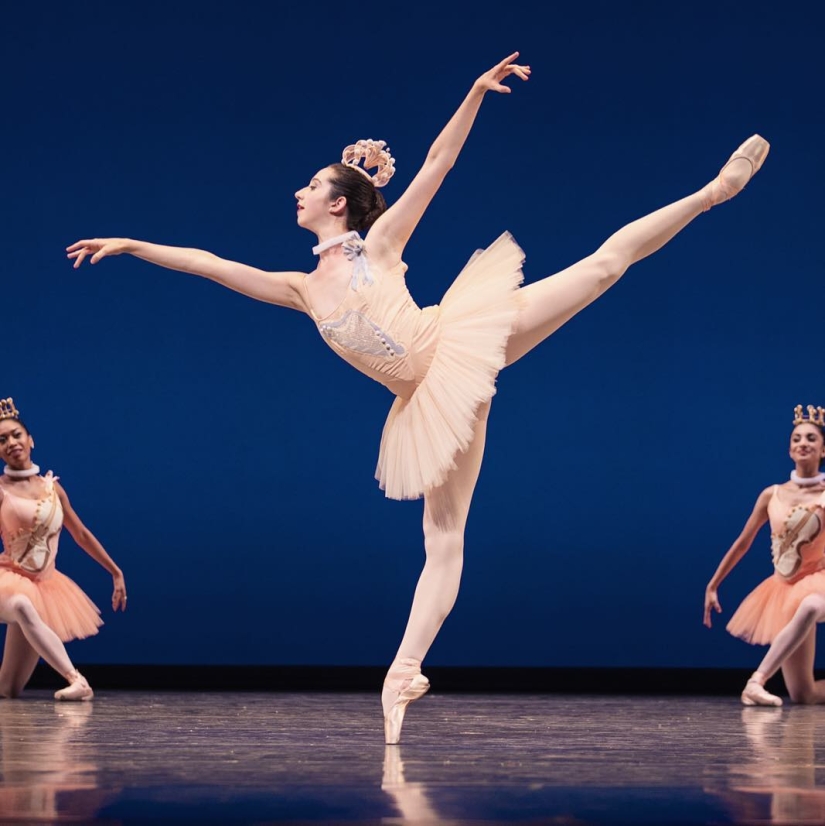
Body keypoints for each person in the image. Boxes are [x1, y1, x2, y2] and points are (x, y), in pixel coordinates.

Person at [67, 53, 769, 741]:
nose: (298, 193)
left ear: (336, 204)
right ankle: (403, 670)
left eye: (310, 186)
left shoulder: (378, 247)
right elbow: (213, 266)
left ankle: (712, 192)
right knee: (443, 539)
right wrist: (133, 244)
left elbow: (437, 165)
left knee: (601, 266)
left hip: (455, 339)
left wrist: (471, 92)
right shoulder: (300, 289)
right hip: (428, 400)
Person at [0, 397, 127, 700]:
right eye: (2, 440)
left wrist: (115, 571)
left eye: (16, 435)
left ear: (30, 440)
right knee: (20, 605)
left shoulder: (52, 488)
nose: (11, 442)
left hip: (43, 587)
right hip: (8, 582)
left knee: (8, 689)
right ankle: (77, 680)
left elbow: (80, 534)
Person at [704, 405, 825, 706]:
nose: (803, 443)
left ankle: (755, 682)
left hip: (819, 582)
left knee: (810, 605)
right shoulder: (772, 495)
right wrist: (713, 584)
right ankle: (763, 686)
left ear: (823, 450)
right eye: (797, 439)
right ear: (789, 450)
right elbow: (743, 543)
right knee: (804, 694)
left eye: (811, 438)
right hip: (784, 589)